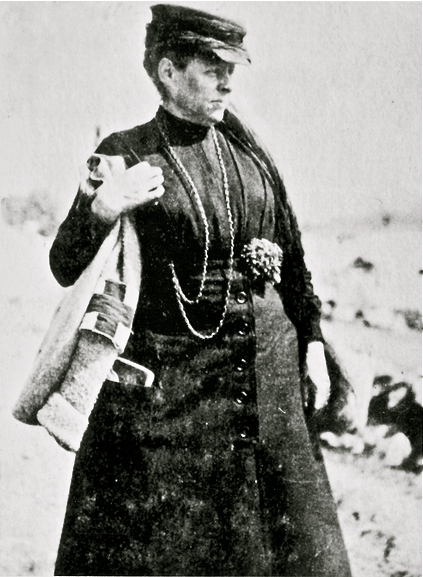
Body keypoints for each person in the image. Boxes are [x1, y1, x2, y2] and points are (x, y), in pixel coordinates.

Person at [50, 5, 352, 576]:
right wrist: (105, 206)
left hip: (267, 393)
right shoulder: (125, 152)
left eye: (231, 69)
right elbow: (64, 266)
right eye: (213, 68)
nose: (227, 83)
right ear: (168, 71)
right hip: (168, 407)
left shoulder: (251, 154)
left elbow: (292, 258)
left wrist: (312, 340)